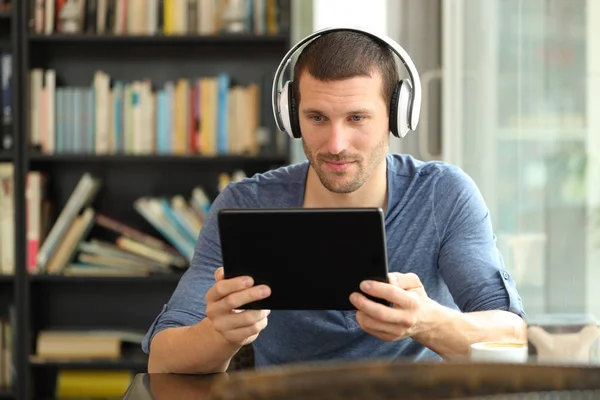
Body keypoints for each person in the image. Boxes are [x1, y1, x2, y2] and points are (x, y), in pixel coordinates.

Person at [142, 27, 527, 374]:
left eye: (357, 118)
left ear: (397, 115)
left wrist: (425, 321)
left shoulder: (443, 195)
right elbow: (162, 359)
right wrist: (219, 334)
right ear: (291, 116)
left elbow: (514, 338)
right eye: (317, 118)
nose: (336, 145)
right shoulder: (245, 202)